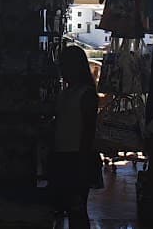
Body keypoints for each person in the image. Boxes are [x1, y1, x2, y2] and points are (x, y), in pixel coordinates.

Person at [50, 45, 99, 229]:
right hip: (63, 154)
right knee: (71, 207)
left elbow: (88, 130)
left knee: (76, 208)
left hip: (76, 156)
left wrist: (82, 161)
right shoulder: (67, 93)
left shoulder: (85, 94)